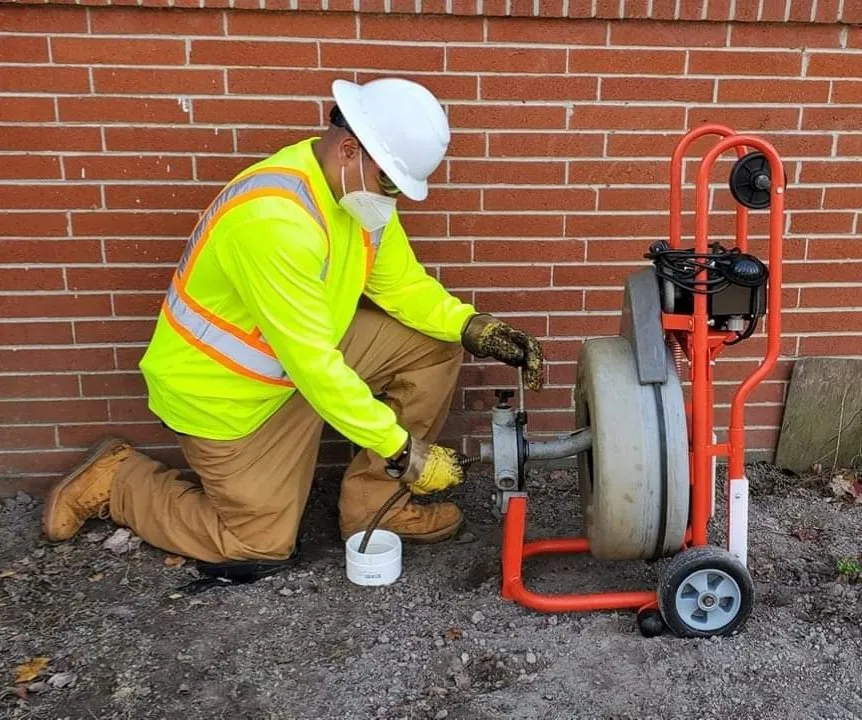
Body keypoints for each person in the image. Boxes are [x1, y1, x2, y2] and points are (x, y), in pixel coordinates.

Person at [41, 77, 545, 567]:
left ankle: (374, 509)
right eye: (389, 180)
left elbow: (402, 287)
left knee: (433, 346)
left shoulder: (357, 198)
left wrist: (474, 327)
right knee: (257, 544)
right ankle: (118, 480)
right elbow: (313, 365)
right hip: (230, 400)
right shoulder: (274, 223)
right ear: (350, 150)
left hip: (296, 364)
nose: (391, 196)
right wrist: (404, 452)